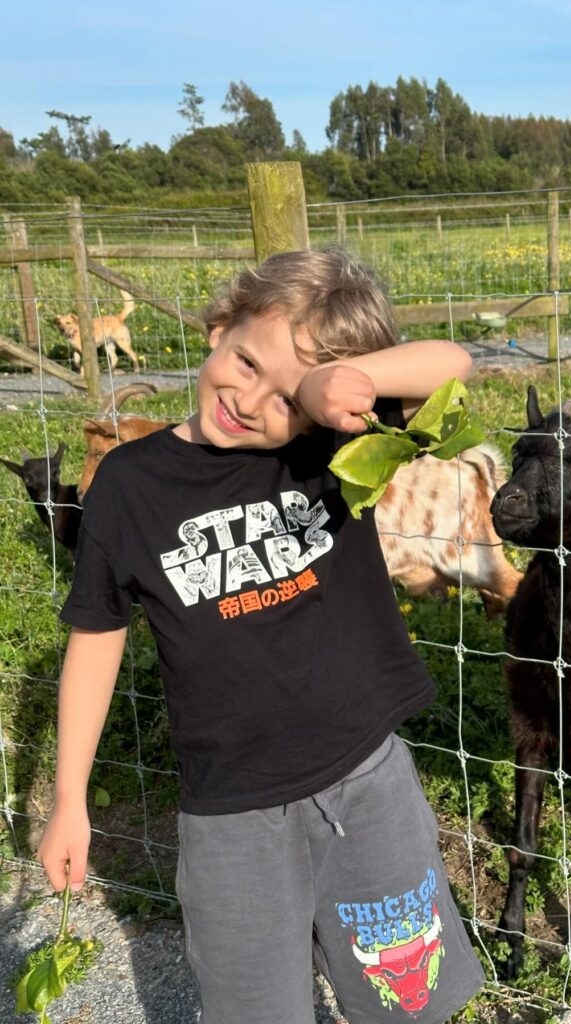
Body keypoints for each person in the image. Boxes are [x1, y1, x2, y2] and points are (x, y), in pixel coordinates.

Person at [37, 247, 485, 1023]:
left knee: (407, 1001)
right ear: (219, 327)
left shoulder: (331, 451)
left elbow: (456, 362)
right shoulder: (129, 486)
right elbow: (98, 637)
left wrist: (327, 391)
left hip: (368, 787)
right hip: (231, 818)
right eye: (246, 361)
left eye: (285, 395)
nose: (251, 400)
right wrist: (69, 798)